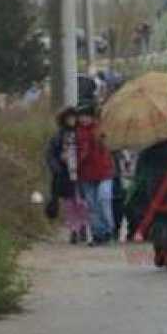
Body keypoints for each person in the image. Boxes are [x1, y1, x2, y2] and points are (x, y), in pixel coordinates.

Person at [126, 132, 167, 269]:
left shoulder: (149, 135)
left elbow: (142, 163)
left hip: (153, 181)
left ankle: (160, 247)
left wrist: (139, 180)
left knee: (158, 216)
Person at [45, 106, 88, 244]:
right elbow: (50, 155)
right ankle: (74, 229)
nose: (71, 120)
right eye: (69, 117)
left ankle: (83, 225)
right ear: (63, 119)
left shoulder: (82, 133)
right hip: (64, 174)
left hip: (81, 173)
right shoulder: (58, 136)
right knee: (69, 204)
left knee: (81, 202)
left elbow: (88, 152)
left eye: (74, 117)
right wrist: (57, 166)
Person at [76, 103, 116, 245]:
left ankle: (109, 228)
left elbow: (111, 144)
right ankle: (98, 233)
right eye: (81, 116)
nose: (84, 119)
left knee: (103, 199)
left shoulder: (101, 129)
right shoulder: (76, 133)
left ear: (93, 117)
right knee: (91, 205)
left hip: (104, 172)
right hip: (86, 174)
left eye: (87, 116)